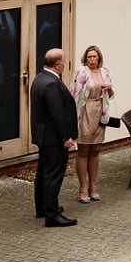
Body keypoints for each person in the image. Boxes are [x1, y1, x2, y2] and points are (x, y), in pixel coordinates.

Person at [30, 47, 77, 227]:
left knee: (43, 173)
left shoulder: (39, 79)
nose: (65, 64)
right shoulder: (51, 83)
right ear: (58, 65)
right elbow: (57, 113)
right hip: (53, 138)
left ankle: (42, 207)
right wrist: (66, 137)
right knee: (53, 175)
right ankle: (52, 214)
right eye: (64, 62)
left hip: (44, 136)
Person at [70, 45, 113, 204]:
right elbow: (74, 93)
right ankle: (82, 187)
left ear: (99, 57)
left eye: (95, 57)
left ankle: (93, 186)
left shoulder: (105, 71)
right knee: (84, 149)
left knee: (95, 149)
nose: (92, 60)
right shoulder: (81, 72)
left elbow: (111, 94)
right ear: (85, 58)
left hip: (100, 111)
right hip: (85, 111)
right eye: (90, 57)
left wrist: (109, 89)